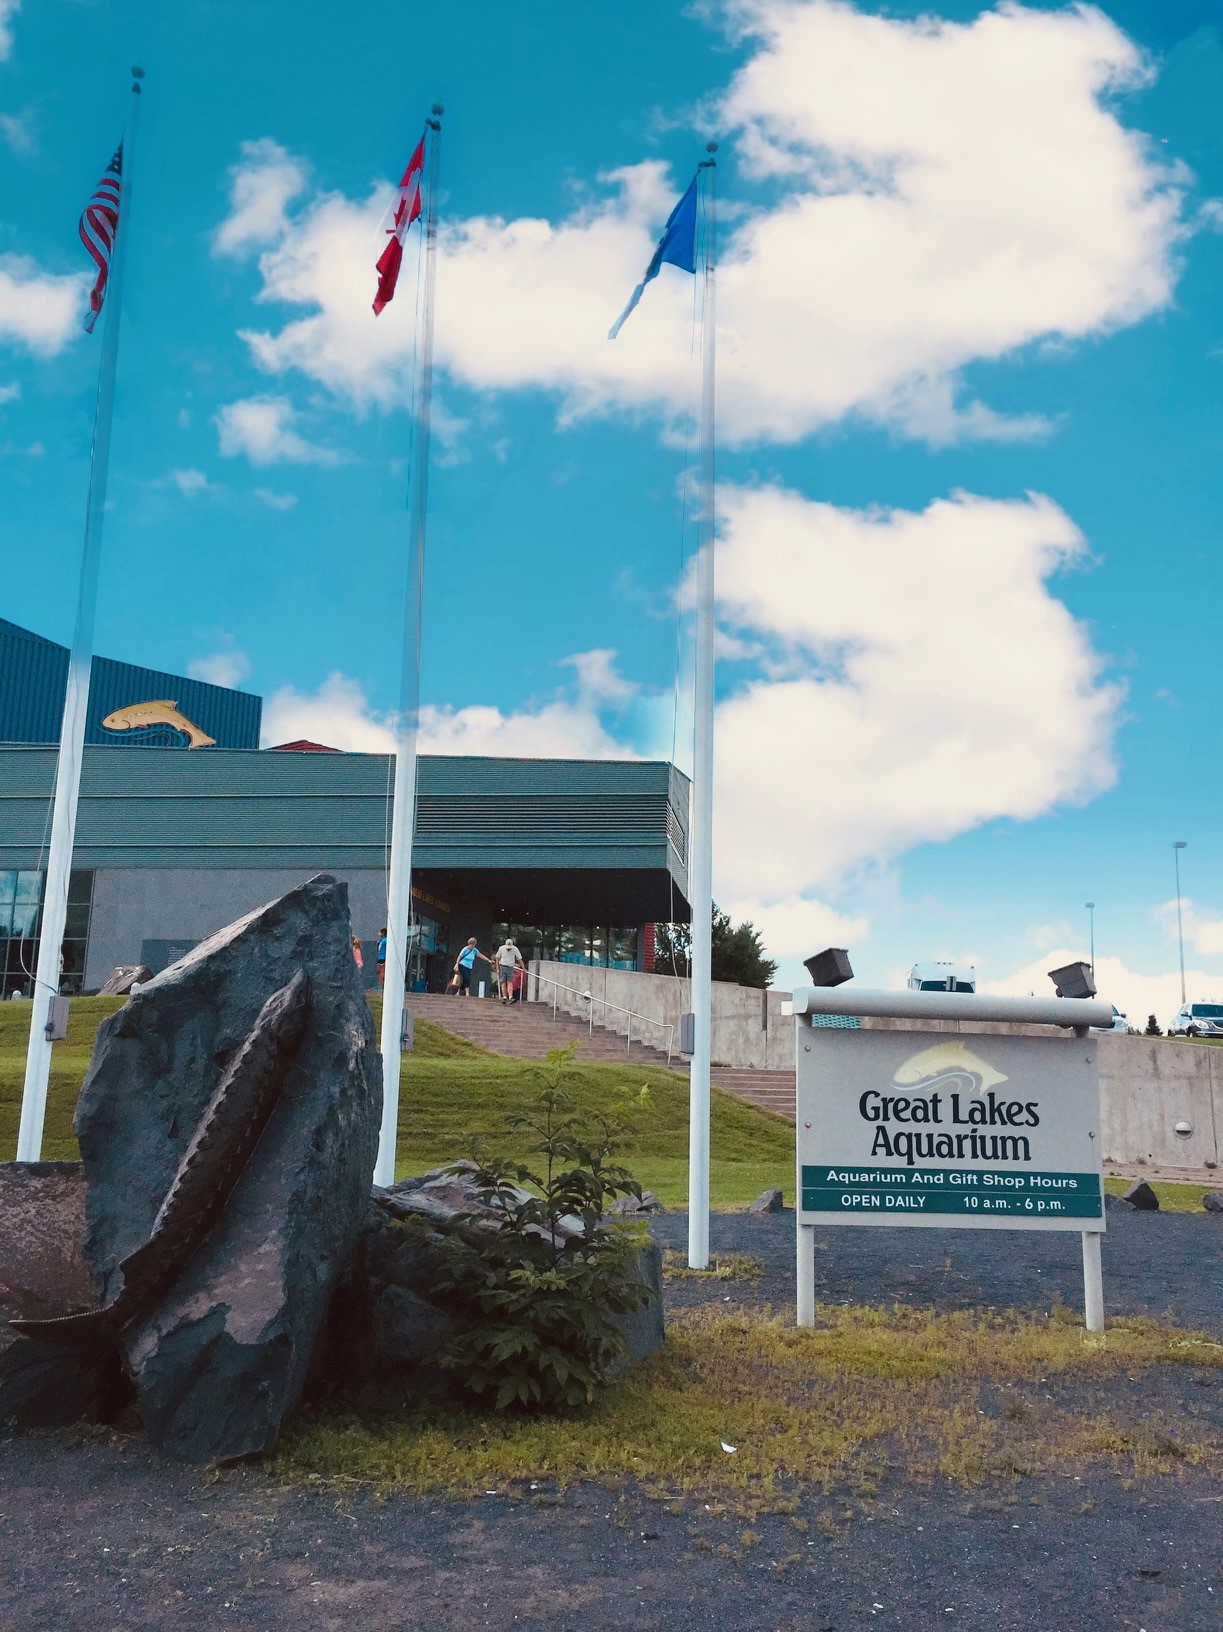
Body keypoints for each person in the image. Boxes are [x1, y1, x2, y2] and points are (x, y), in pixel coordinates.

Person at [493, 936, 524, 1005]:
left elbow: (519, 959)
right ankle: (504, 997)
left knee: (510, 982)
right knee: (503, 982)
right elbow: (497, 958)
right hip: (503, 966)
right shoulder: (501, 948)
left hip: (510, 967)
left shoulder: (515, 949)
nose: (509, 949)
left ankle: (510, 997)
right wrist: (497, 968)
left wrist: (523, 967)